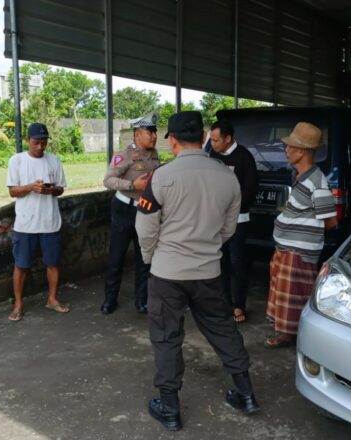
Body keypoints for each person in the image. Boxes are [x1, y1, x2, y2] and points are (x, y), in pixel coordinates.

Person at [136, 111, 260, 432]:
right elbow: (229, 227)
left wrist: (153, 258)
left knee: (166, 337)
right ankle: (245, 393)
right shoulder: (227, 176)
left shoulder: (162, 177)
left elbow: (146, 227)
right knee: (222, 328)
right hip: (207, 271)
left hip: (167, 273)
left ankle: (170, 407)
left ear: (173, 141)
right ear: (204, 136)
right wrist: (208, 248)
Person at [265, 122, 338, 348]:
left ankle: (289, 334)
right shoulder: (302, 177)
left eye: (290, 147)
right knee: (285, 292)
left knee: (293, 292)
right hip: (288, 247)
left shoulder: (317, 181)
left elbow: (331, 221)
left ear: (302, 151)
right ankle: (285, 331)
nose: (286, 151)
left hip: (299, 249)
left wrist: (306, 233)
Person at [6, 122, 70, 322]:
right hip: (25, 224)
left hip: (50, 221)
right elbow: (12, 191)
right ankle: (18, 304)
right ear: (27, 140)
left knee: (52, 263)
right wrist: (30, 187)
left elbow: (61, 189)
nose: (40, 147)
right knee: (21, 265)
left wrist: (52, 190)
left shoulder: (54, 161)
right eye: (36, 142)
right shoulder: (17, 161)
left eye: (44, 143)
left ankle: (52, 298)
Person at [101, 112, 161, 314]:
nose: (154, 136)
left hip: (145, 210)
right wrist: (132, 184)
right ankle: (110, 299)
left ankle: (141, 301)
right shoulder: (124, 154)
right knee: (116, 258)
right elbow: (108, 180)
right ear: (137, 134)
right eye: (150, 132)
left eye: (155, 132)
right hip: (124, 210)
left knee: (144, 258)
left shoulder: (154, 154)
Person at [208, 120, 258, 324]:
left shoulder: (244, 157)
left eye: (216, 140)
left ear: (228, 139)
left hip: (238, 221)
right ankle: (224, 303)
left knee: (237, 264)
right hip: (216, 221)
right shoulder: (213, 155)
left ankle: (238, 305)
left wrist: (228, 200)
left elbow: (250, 190)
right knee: (220, 263)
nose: (212, 144)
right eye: (210, 140)